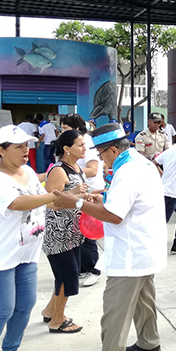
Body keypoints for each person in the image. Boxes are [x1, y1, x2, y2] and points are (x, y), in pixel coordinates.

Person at [53, 123, 167, 351]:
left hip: (131, 251)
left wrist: (77, 202)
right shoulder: (140, 162)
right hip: (144, 247)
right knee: (143, 299)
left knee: (115, 310)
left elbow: (114, 215)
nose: (101, 159)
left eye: (102, 154)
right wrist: (102, 197)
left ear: (113, 150)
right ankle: (149, 341)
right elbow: (128, 201)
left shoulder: (127, 171)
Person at [0, 125, 58, 351]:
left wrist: (71, 197)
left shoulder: (29, 172)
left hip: (27, 251)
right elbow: (17, 203)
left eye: (27, 145)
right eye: (18, 146)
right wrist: (55, 196)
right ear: (1, 150)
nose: (25, 150)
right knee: (3, 308)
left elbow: (44, 199)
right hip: (0, 253)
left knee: (25, 304)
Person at [40, 130, 88, 334]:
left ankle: (50, 311)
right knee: (67, 276)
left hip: (72, 232)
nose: (85, 148)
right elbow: (48, 202)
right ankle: (57, 321)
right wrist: (74, 193)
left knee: (65, 274)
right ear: (67, 148)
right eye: (80, 145)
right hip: (58, 233)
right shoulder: (59, 170)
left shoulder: (76, 168)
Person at [60, 114, 105, 287]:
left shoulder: (85, 143)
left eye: (65, 128)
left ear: (77, 129)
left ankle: (93, 269)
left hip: (89, 190)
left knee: (87, 231)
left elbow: (93, 170)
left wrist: (67, 172)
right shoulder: (72, 144)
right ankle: (82, 268)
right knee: (78, 231)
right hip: (77, 190)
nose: (62, 131)